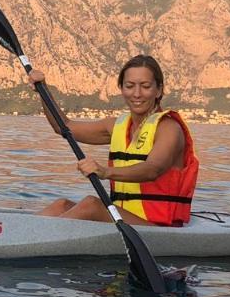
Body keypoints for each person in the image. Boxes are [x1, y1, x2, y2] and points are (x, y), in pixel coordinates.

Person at [26, 54, 199, 226]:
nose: (137, 94)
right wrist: (43, 90)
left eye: (145, 86)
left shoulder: (169, 128)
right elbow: (63, 126)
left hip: (159, 226)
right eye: (130, 86)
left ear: (159, 90)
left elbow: (152, 169)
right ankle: (18, 235)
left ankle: (30, 241)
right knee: (61, 205)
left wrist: (104, 172)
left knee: (92, 205)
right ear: (122, 89)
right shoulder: (116, 126)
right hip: (122, 219)